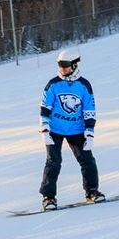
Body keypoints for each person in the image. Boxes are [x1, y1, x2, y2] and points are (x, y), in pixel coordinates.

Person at [39, 46, 102, 208]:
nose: (62, 69)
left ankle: (92, 191)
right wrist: (45, 129)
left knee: (87, 160)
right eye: (60, 65)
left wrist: (89, 132)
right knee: (53, 162)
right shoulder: (53, 84)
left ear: (74, 65)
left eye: (65, 65)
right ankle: (49, 197)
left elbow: (89, 109)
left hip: (76, 129)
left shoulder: (83, 85)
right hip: (55, 130)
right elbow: (45, 107)